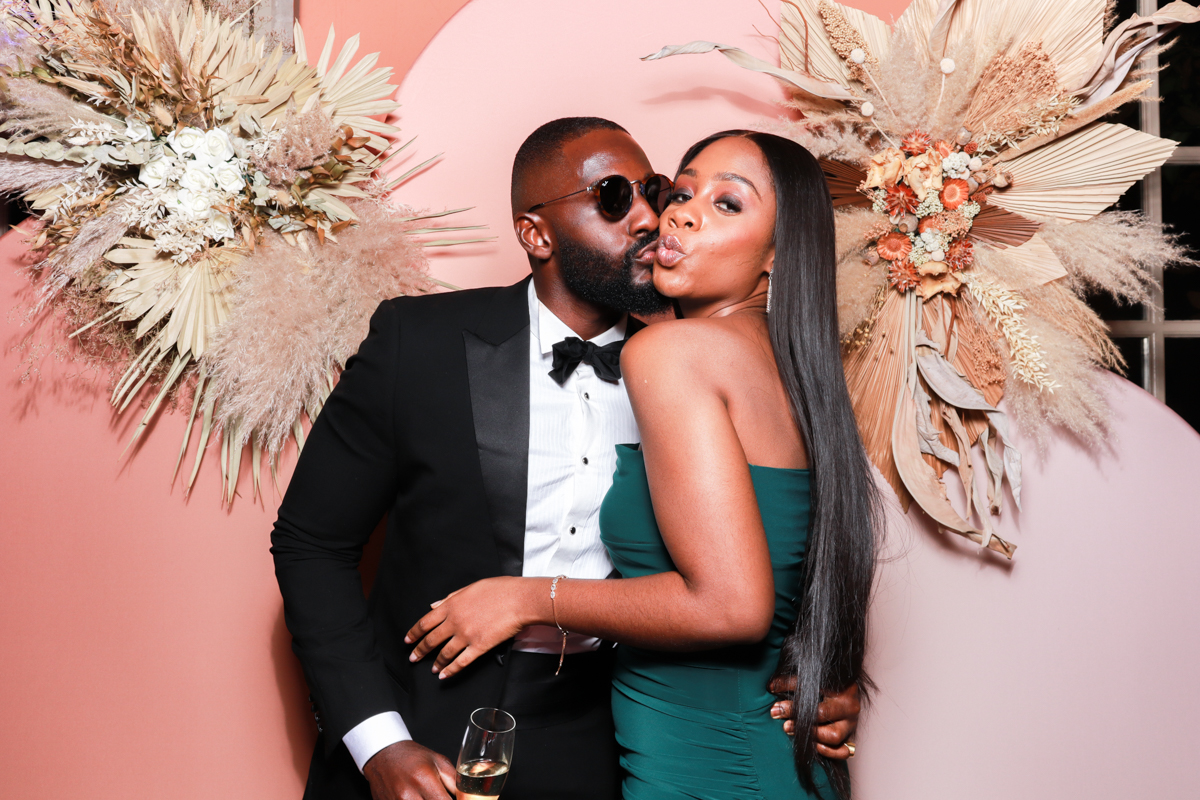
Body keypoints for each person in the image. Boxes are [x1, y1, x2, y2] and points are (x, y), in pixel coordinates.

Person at [271, 118, 859, 800]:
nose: (649, 217)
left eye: (654, 191)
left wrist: (819, 677)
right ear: (536, 233)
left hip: (598, 748)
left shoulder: (692, 366)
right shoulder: (418, 343)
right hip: (419, 728)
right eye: (613, 198)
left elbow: (772, 554)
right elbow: (311, 542)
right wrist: (378, 742)